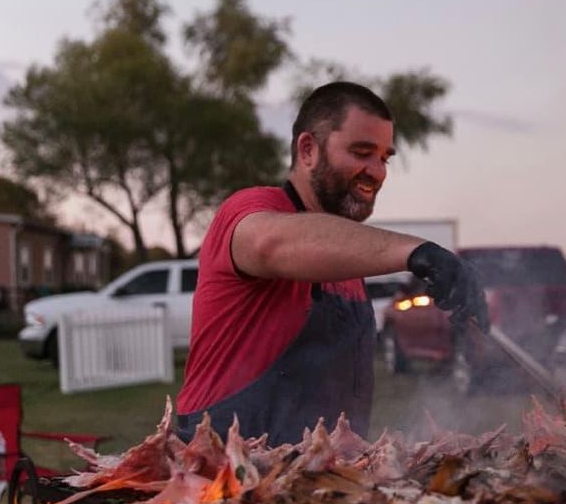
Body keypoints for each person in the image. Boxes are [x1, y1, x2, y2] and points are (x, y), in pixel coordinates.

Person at [177, 81, 488, 444]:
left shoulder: (346, 264)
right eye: (361, 152)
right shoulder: (250, 210)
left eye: (384, 157)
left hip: (321, 484)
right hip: (225, 477)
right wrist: (418, 252)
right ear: (308, 149)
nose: (377, 171)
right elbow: (270, 243)